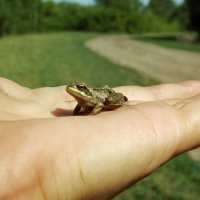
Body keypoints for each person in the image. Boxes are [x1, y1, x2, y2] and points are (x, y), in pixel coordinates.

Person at [0, 77, 199, 200]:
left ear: (84, 89)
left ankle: (118, 101)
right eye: (75, 88)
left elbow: (97, 105)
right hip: (98, 96)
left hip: (106, 97)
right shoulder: (80, 101)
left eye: (79, 87)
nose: (74, 90)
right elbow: (79, 107)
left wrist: (92, 116)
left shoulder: (91, 97)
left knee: (108, 100)